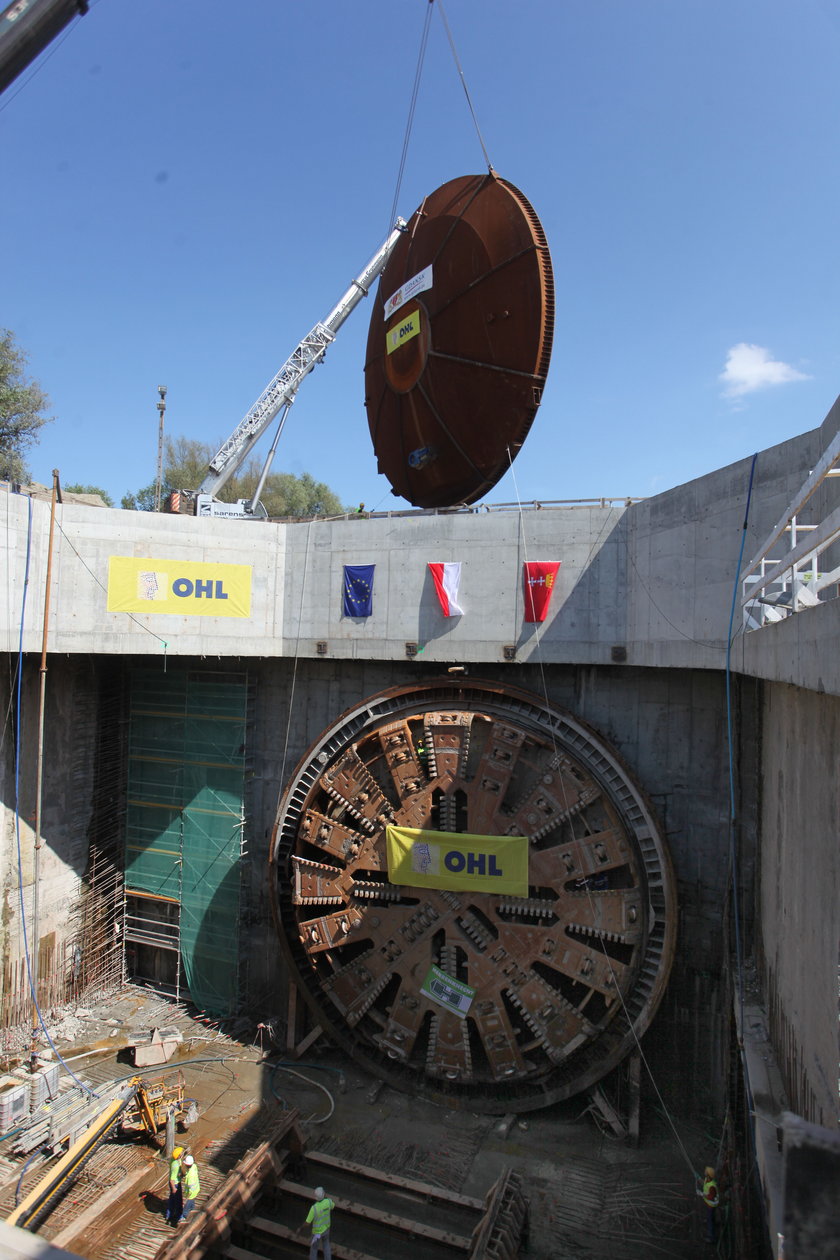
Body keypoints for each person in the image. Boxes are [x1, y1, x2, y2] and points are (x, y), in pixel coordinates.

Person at [304, 1186, 335, 1260]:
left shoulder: (314, 1208)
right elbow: (332, 1206)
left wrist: (301, 1227)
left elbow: (307, 1222)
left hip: (317, 1233)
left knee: (314, 1249)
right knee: (326, 1245)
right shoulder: (328, 1202)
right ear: (324, 1194)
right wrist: (326, 1197)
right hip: (326, 1229)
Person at [698, 1165, 719, 1242]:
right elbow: (704, 1183)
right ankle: (712, 1221)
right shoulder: (708, 1180)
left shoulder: (712, 1186)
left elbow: (711, 1197)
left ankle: (711, 1237)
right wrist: (699, 1178)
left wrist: (702, 1194)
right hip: (710, 1204)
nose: (704, 1172)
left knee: (710, 1218)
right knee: (711, 1215)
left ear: (708, 1175)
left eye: (706, 1172)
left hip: (711, 1204)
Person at [179, 1153, 200, 1223]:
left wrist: (187, 1196)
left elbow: (190, 1186)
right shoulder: (194, 1166)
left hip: (191, 1192)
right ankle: (193, 1212)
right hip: (196, 1189)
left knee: (187, 1206)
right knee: (191, 1203)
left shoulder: (190, 1176)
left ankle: (184, 1217)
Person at [165, 1145, 183, 1224]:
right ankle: (178, 1216)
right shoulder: (175, 1165)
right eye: (181, 1153)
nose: (182, 1153)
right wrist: (174, 1189)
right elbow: (172, 1180)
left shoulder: (174, 1159)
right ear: (179, 1155)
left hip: (176, 1181)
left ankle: (169, 1215)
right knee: (178, 1200)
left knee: (172, 1199)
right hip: (175, 1184)